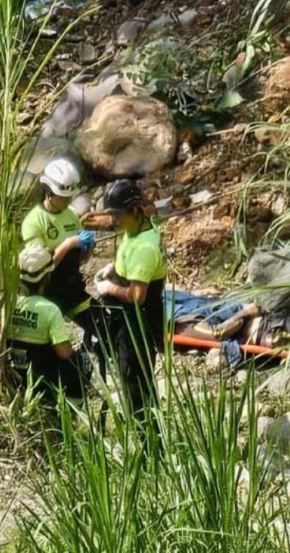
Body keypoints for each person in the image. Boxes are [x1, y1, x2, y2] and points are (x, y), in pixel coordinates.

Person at [94, 179, 167, 421]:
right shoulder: (137, 229)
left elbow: (137, 296)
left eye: (116, 215)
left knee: (135, 382)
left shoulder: (145, 248)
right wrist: (113, 267)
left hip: (139, 322)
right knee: (131, 380)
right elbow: (129, 254)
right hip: (129, 318)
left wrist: (109, 287)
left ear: (135, 211)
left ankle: (149, 441)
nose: (112, 221)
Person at [21, 158, 100, 348]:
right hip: (46, 292)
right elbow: (37, 272)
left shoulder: (71, 214)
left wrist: (87, 247)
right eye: (63, 197)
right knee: (49, 348)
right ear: (48, 193)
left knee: (103, 324)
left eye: (70, 197)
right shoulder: (34, 222)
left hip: (71, 288)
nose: (68, 201)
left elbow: (81, 260)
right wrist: (67, 244)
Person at [6, 244, 91, 404]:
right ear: (47, 277)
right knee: (80, 361)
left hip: (12, 373)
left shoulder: (7, 304)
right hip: (40, 378)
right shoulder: (49, 310)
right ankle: (71, 409)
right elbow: (63, 352)